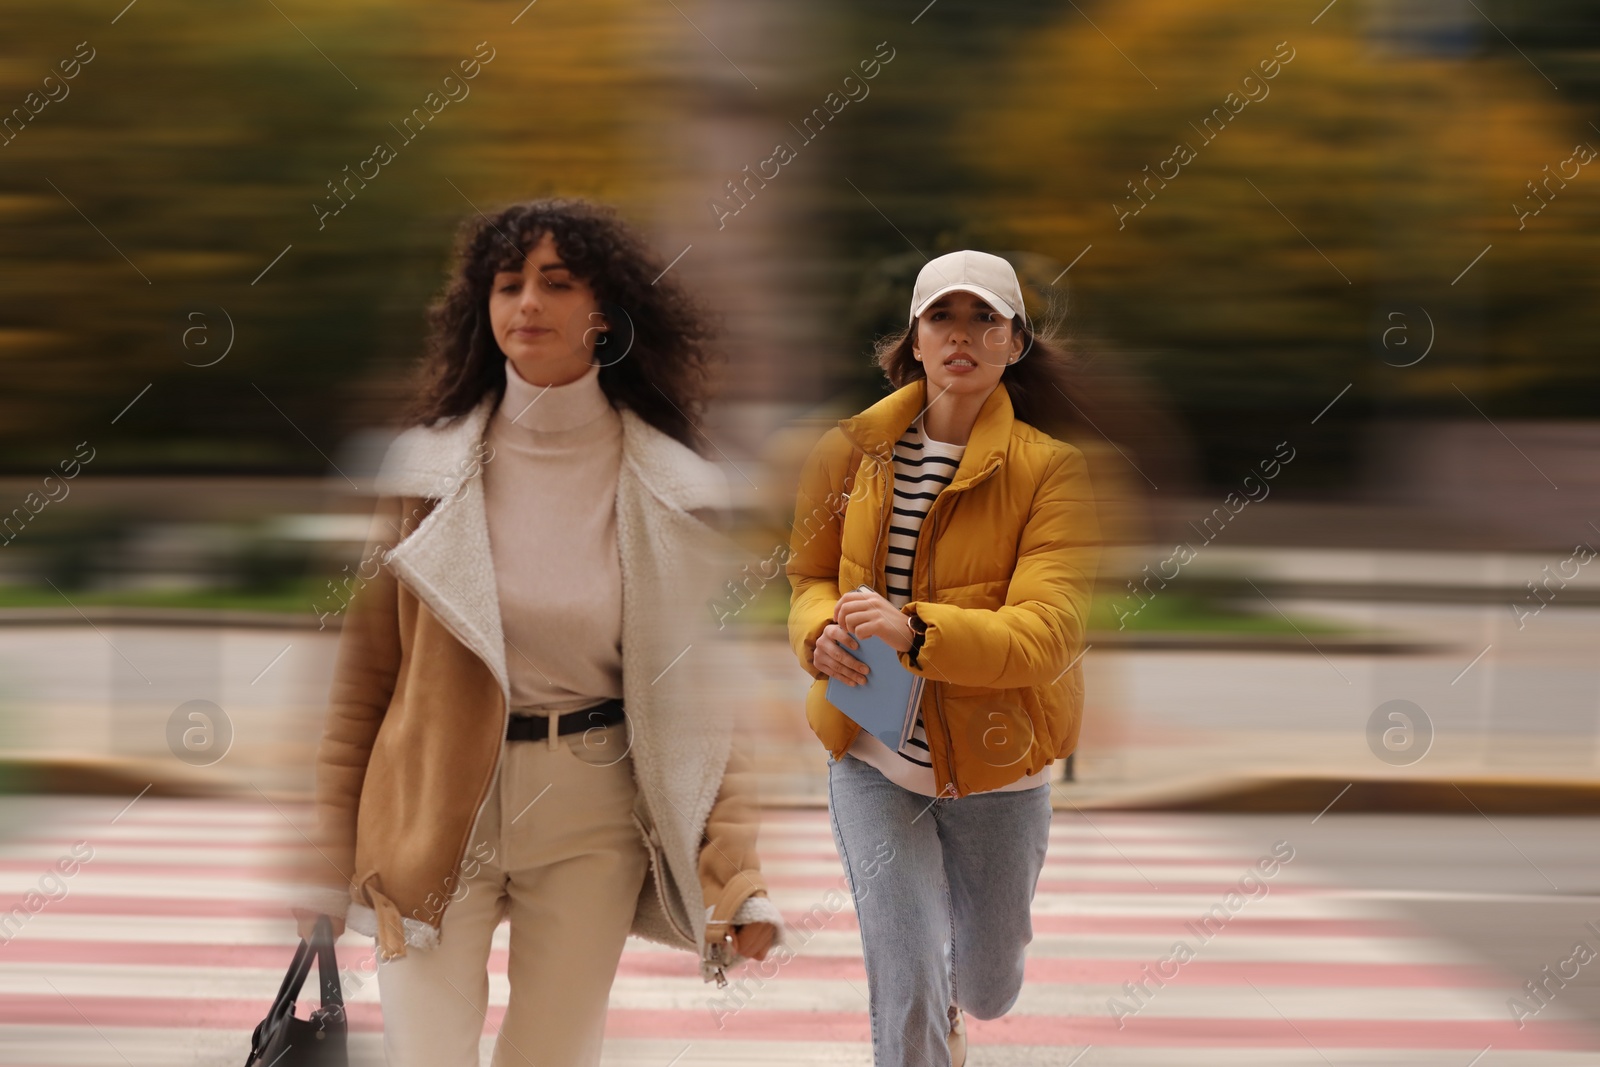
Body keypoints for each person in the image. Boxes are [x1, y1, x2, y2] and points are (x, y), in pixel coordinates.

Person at [292, 197, 782, 1067]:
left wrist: (734, 872)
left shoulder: (679, 489)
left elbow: (710, 708)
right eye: (508, 284)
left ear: (606, 314)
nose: (527, 303)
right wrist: (324, 859)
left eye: (556, 284)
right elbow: (363, 684)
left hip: (592, 812)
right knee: (425, 1054)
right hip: (432, 798)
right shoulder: (422, 475)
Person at [786, 249, 1101, 1066]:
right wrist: (817, 633)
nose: (962, 335)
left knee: (987, 984)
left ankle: (968, 1004)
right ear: (915, 341)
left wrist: (913, 630)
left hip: (1001, 769)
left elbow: (1047, 631)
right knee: (908, 972)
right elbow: (809, 579)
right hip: (872, 754)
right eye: (943, 318)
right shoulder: (846, 453)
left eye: (984, 319)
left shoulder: (1054, 473)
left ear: (1015, 343)